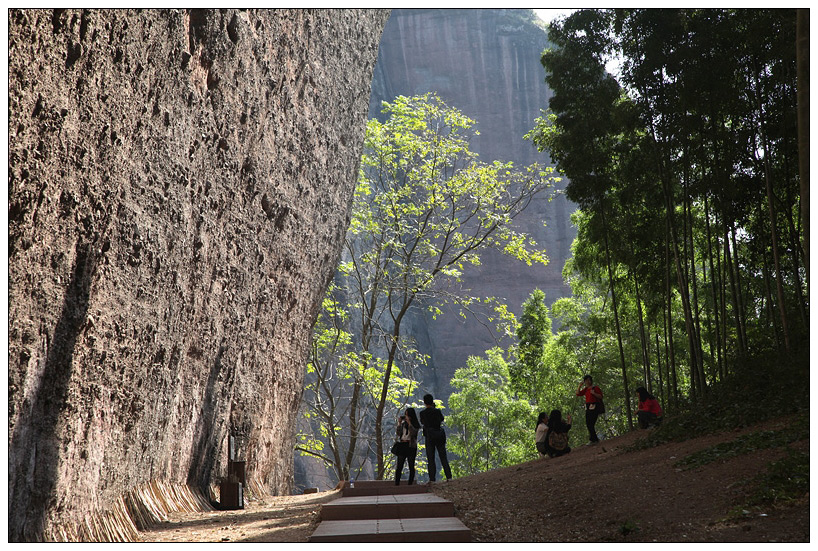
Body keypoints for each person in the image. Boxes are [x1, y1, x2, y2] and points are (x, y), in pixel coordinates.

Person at [419, 393, 452, 483]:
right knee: (443, 456)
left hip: (429, 436)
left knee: (431, 458)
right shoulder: (437, 411)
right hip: (439, 435)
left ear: (425, 402)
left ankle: (432, 479)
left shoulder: (422, 413)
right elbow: (442, 419)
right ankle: (449, 476)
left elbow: (422, 422)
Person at [394, 408, 420, 485]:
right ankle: (397, 483)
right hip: (402, 444)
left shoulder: (415, 425)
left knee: (411, 465)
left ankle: (410, 483)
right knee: (399, 465)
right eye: (405, 415)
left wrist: (409, 423)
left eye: (408, 415)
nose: (406, 417)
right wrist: (399, 423)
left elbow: (413, 433)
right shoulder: (403, 424)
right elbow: (399, 434)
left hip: (411, 446)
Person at [576, 374, 604, 444]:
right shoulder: (586, 389)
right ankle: (594, 439)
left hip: (595, 406)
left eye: (589, 380)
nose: (588, 382)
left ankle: (593, 439)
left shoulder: (595, 388)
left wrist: (594, 393)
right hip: (588, 406)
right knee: (588, 423)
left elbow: (600, 396)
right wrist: (579, 386)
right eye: (586, 380)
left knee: (591, 423)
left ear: (591, 381)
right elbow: (578, 393)